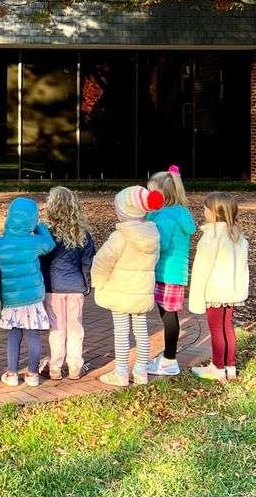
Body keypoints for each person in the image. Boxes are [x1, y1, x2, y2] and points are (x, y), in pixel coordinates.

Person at [91, 185, 163, 387]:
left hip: (120, 292)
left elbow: (102, 261)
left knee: (121, 332)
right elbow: (155, 260)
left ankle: (121, 371)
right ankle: (141, 370)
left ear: (123, 211)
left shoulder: (120, 237)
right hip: (141, 291)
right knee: (142, 330)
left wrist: (99, 282)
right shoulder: (153, 236)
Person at [0, 197, 55, 387]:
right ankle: (33, 374)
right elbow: (50, 244)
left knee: (14, 335)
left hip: (11, 298)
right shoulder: (34, 242)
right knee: (33, 335)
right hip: (32, 298)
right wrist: (38, 227)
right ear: (32, 219)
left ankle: (12, 373)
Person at [188, 192, 249, 381]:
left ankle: (217, 367)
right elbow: (243, 269)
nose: (203, 211)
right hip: (231, 292)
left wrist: (197, 299)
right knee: (227, 328)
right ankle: (230, 366)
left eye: (206, 208)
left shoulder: (210, 238)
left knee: (216, 330)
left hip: (214, 293)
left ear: (214, 212)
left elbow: (200, 272)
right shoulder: (238, 237)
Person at [145, 165, 197, 377]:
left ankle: (169, 360)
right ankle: (168, 356)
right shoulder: (182, 213)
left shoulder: (164, 217)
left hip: (164, 273)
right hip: (178, 273)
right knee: (170, 315)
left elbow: (160, 244)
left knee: (168, 317)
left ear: (161, 195)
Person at [41, 187, 96, 380]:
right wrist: (87, 282)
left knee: (56, 328)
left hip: (53, 287)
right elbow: (88, 261)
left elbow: (42, 261)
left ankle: (55, 367)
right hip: (75, 286)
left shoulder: (47, 234)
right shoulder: (83, 234)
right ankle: (75, 366)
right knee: (75, 328)